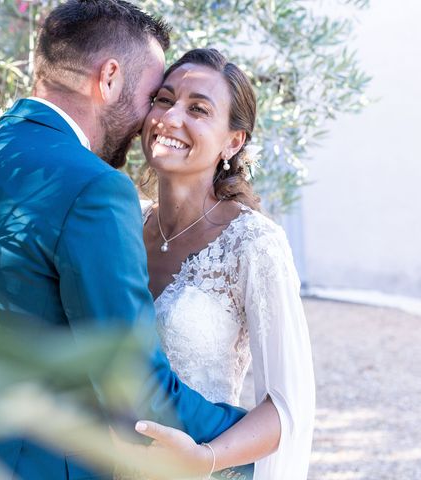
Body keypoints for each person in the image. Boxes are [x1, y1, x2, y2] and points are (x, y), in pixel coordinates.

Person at [0, 2, 253, 479]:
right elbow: (136, 393)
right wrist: (251, 438)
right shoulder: (94, 188)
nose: (151, 120)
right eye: (153, 96)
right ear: (109, 78)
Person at [131, 48, 316, 479]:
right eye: (164, 99)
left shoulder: (254, 243)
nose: (171, 118)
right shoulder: (121, 222)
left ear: (233, 142)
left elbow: (288, 405)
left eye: (198, 108)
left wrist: (206, 458)